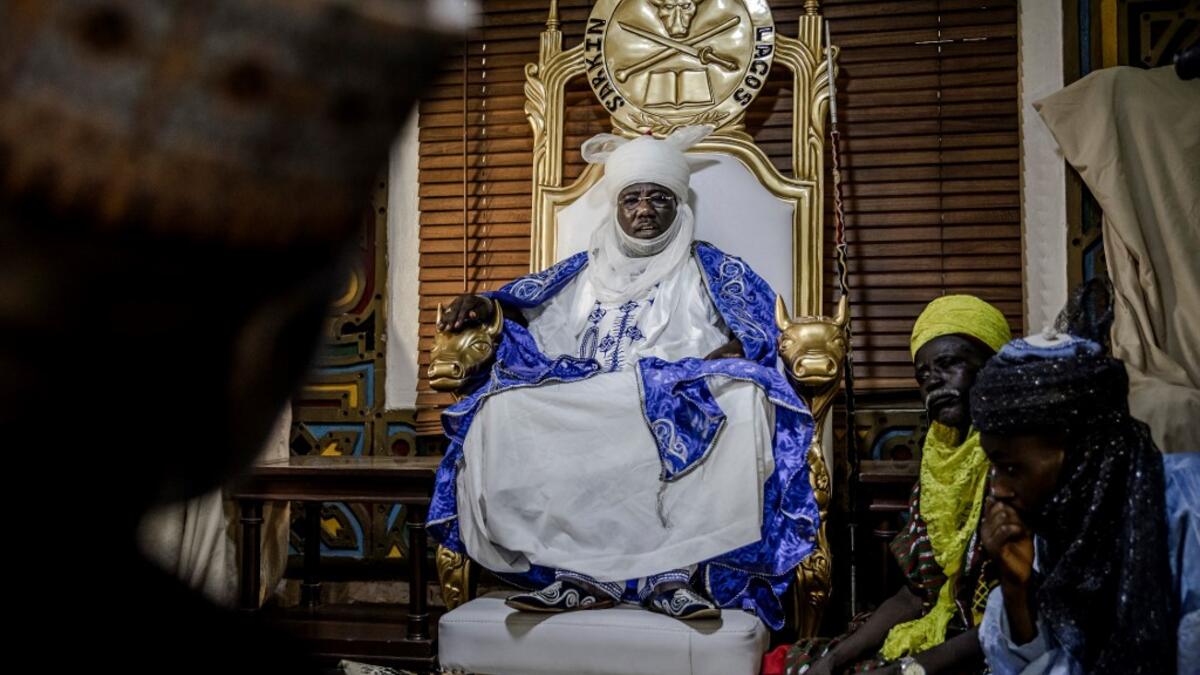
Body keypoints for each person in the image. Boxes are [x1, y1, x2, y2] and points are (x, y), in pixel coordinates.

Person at [427, 126, 819, 627]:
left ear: (679, 205)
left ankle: (671, 575)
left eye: (659, 198)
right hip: (593, 396)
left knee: (742, 396)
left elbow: (759, 333)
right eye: (632, 198)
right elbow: (519, 308)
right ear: (616, 207)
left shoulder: (715, 270)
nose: (644, 209)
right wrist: (485, 304)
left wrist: (699, 369)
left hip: (678, 391)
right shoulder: (581, 271)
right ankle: (583, 574)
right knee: (501, 409)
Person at [776, 295, 1011, 675]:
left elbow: (1020, 619)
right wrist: (835, 659)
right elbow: (918, 593)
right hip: (945, 628)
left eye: (949, 364)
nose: (932, 381)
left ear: (996, 366)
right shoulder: (938, 466)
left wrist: (908, 671)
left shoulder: (1024, 465)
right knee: (805, 660)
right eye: (922, 374)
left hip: (1003, 647)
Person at [971, 327, 1199, 674]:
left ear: (1083, 453)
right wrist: (1017, 592)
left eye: (1012, 467)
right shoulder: (1052, 522)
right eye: (994, 467)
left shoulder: (1189, 509)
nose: (998, 489)